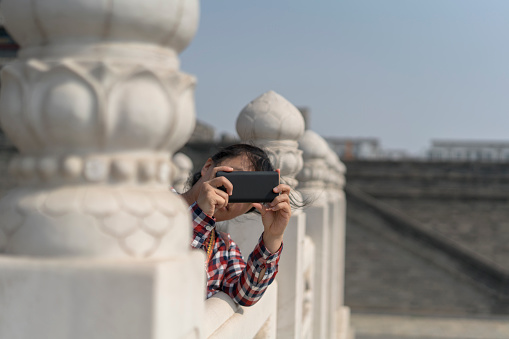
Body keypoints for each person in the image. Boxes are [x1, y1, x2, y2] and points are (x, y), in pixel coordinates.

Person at [181, 144, 292, 306]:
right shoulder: (155, 203)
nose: (230, 190)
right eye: (233, 177)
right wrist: (201, 214)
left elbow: (247, 295)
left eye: (246, 190)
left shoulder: (224, 247)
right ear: (207, 167)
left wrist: (273, 236)